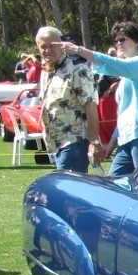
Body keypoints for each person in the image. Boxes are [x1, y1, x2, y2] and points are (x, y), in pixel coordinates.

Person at [60, 21, 138, 177]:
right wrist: (113, 141)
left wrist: (79, 50)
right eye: (116, 41)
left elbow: (114, 63)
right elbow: (125, 110)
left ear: (137, 41)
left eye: (123, 39)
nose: (118, 43)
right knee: (115, 182)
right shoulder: (127, 74)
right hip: (128, 136)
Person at [33, 26, 101, 173]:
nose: (48, 50)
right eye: (43, 46)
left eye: (53, 45)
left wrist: (94, 142)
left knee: (67, 190)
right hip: (57, 144)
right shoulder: (46, 72)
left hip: (75, 142)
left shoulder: (77, 68)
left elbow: (90, 105)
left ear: (62, 44)